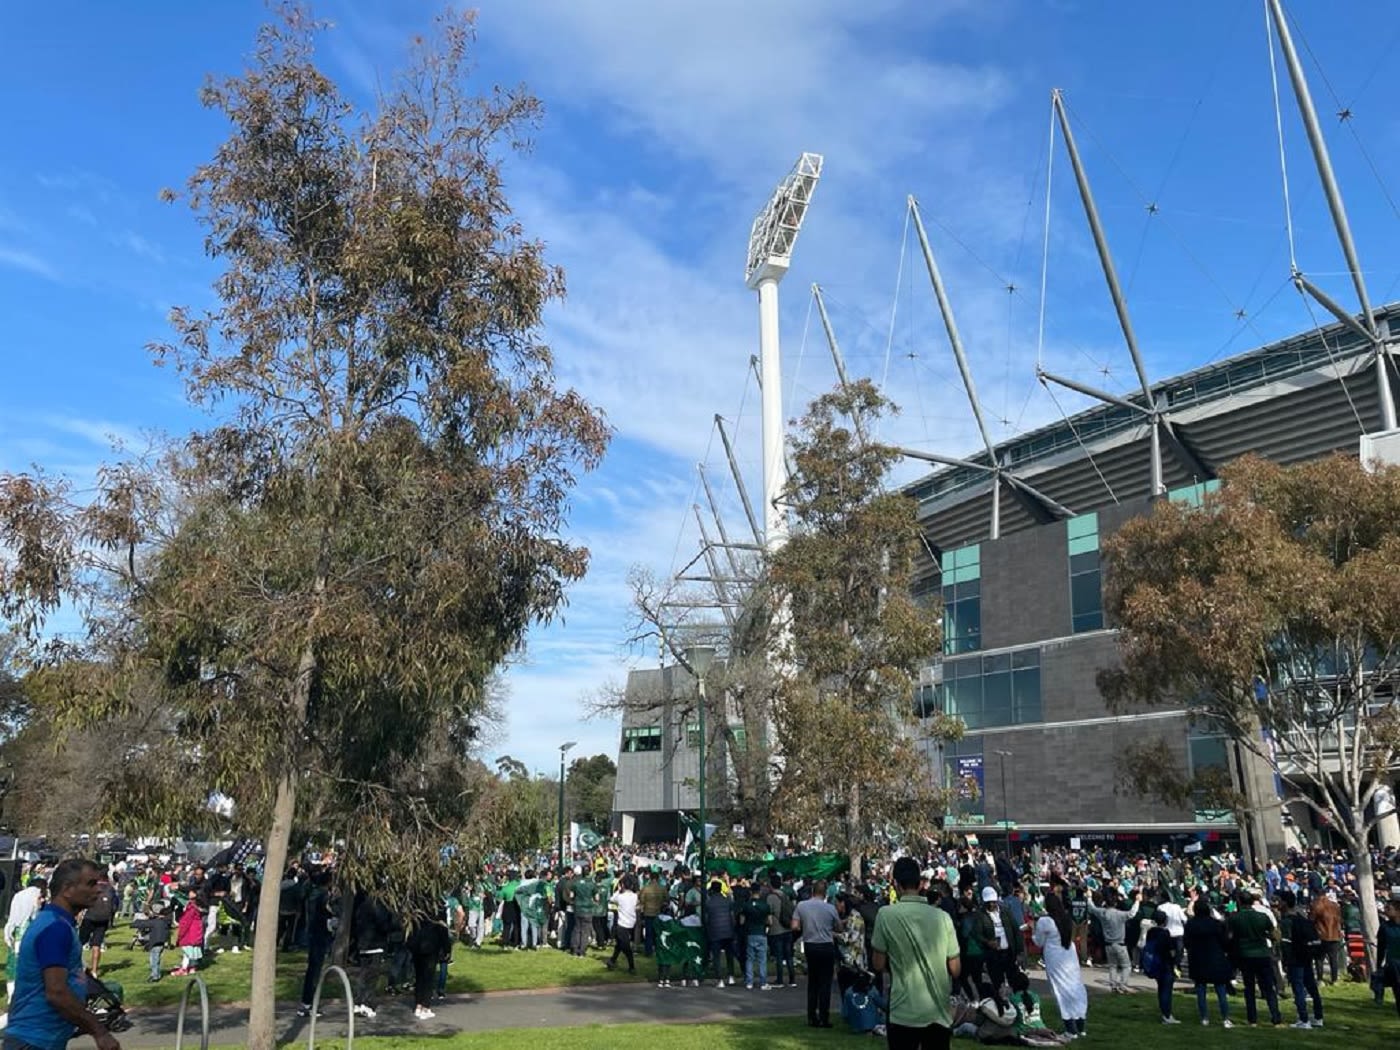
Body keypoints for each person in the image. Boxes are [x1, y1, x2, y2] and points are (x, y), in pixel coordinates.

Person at [5, 857, 122, 1050]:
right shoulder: (55, 928)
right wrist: (99, 1031)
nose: (98, 889)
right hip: (33, 1040)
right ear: (68, 889)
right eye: (91, 884)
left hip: (43, 1039)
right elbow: (56, 992)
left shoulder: (59, 923)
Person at [870, 856, 960, 1050]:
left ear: (895, 884)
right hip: (938, 1011)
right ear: (920, 884)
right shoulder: (943, 918)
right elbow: (955, 969)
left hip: (903, 1010)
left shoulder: (886, 915)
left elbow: (877, 964)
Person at [1032, 890, 1087, 1038]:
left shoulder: (1045, 921)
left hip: (1055, 957)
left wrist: (1032, 928)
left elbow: (1039, 942)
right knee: (1075, 987)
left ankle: (1070, 1029)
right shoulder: (1066, 918)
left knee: (1060, 989)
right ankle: (1080, 1026)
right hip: (1069, 954)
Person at [1226, 888, 1282, 1027]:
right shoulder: (1262, 917)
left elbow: (1229, 937)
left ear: (1239, 902)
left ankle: (1252, 1019)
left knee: (1249, 987)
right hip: (1262, 953)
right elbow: (1275, 935)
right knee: (1268, 987)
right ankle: (1275, 1016)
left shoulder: (1234, 918)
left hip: (1245, 955)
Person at [792, 878, 843, 1028]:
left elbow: (794, 926)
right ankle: (824, 1017)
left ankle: (811, 1016)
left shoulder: (802, 906)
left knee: (813, 982)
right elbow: (839, 928)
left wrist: (806, 927)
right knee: (825, 983)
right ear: (825, 892)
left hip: (810, 945)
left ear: (812, 891)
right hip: (826, 945)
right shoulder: (830, 908)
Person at [1183, 897, 1232, 1028]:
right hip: (1216, 958)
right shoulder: (1216, 924)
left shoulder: (1191, 924)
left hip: (1198, 958)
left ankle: (1204, 1017)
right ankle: (1225, 1018)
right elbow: (1225, 942)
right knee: (1221, 990)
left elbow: (1186, 942)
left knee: (1201, 990)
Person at [1278, 889, 1323, 1029]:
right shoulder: (1303, 919)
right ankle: (1318, 1016)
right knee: (1311, 987)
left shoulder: (1286, 922)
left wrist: (1285, 960)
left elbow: (1285, 943)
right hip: (1306, 955)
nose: (1276, 903)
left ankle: (1303, 1019)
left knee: (1298, 988)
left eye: (1278, 901)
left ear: (1285, 903)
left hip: (1294, 957)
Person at [1085, 887, 1138, 994]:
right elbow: (1132, 913)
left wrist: (1089, 897)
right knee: (1126, 966)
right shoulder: (1120, 914)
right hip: (1120, 943)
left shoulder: (1103, 913)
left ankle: (1113, 985)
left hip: (1108, 944)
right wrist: (1137, 901)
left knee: (1112, 966)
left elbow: (1091, 908)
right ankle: (1122, 985)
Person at [1143, 909, 1180, 1025]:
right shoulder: (1165, 933)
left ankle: (1164, 1012)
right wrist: (1175, 960)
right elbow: (1171, 950)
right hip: (1165, 963)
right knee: (1167, 991)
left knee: (1161, 988)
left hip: (1155, 962)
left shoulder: (1151, 932)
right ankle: (1167, 1014)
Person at [702, 880, 737, 986]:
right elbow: (732, 916)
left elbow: (706, 918)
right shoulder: (728, 900)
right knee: (729, 955)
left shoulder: (708, 902)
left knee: (716, 956)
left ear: (712, 890)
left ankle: (720, 979)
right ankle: (731, 976)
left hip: (715, 931)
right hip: (728, 931)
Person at [133, 902, 172, 984]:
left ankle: (155, 976)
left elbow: (140, 924)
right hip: (161, 943)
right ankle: (156, 974)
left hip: (155, 943)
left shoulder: (155, 922)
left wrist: (138, 920)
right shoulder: (165, 921)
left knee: (154, 960)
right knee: (156, 959)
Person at [606, 874, 638, 974]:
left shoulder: (620, 896)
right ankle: (612, 960)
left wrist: (618, 890)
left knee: (625, 947)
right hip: (631, 923)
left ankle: (631, 966)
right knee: (619, 944)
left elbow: (612, 899)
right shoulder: (635, 896)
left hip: (622, 924)